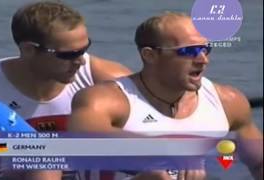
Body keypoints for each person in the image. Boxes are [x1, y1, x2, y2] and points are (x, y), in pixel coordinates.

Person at [68, 12, 263, 180]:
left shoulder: (229, 102)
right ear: (149, 55)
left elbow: (259, 163)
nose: (203, 60)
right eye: (189, 51)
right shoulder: (105, 100)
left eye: (205, 49)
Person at [0, 1, 131, 179]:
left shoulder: (106, 79)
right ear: (28, 49)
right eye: (67, 55)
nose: (81, 61)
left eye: (83, 50)